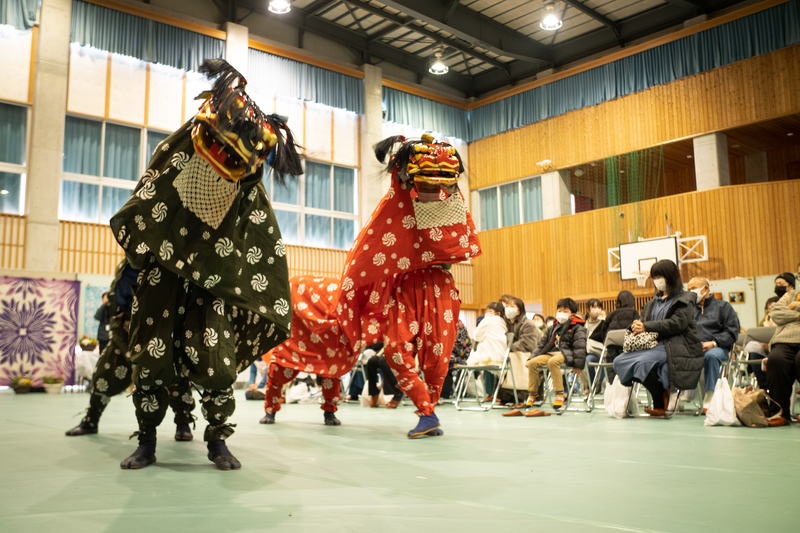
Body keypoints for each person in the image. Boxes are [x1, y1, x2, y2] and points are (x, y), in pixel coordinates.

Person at [109, 60, 302, 470]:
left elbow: (261, 245)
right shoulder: (176, 155)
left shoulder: (248, 190)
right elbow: (142, 206)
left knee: (216, 365)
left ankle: (217, 440)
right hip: (160, 278)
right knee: (149, 362)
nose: (220, 161)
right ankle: (146, 441)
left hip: (212, 287)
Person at [335, 133, 481, 438]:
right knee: (396, 350)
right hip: (407, 286)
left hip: (440, 285)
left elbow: (456, 244)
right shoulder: (399, 208)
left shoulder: (451, 208)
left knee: (437, 356)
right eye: (426, 184)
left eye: (441, 184)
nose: (434, 190)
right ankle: (427, 412)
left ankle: (428, 412)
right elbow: (372, 245)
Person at [65, 260, 196, 441]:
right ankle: (91, 420)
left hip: (164, 327)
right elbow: (118, 293)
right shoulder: (131, 259)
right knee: (104, 374)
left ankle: (183, 423)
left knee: (175, 378)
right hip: (127, 327)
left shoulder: (174, 257)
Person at [612, 260, 703, 417]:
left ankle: (659, 403)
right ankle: (663, 394)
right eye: (654, 277)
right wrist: (637, 325)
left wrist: (647, 326)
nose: (656, 280)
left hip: (675, 344)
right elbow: (646, 322)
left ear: (670, 277)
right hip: (652, 345)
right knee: (619, 361)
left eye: (659, 276)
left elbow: (677, 324)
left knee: (642, 363)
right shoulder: (651, 303)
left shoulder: (685, 300)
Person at [259, 276, 353, 426]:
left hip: (325, 337)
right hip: (297, 334)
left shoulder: (341, 291)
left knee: (332, 373)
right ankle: (270, 410)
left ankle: (330, 411)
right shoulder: (291, 286)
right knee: (276, 369)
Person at [504, 298, 586, 416]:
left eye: (565, 311)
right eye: (559, 310)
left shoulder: (578, 328)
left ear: (572, 314)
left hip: (567, 354)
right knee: (533, 363)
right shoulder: (553, 328)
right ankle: (533, 393)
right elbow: (541, 345)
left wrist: (578, 365)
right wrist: (530, 358)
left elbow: (580, 347)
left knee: (553, 362)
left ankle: (559, 393)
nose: (561, 313)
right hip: (551, 354)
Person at [687, 277, 739, 409]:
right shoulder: (689, 310)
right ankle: (675, 396)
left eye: (693, 288)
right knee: (672, 354)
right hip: (694, 348)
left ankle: (710, 396)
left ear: (706, 288)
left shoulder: (724, 307)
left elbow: (732, 332)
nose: (690, 292)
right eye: (688, 290)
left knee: (711, 356)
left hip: (718, 348)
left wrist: (713, 343)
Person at [765, 281, 800, 426]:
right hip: (784, 340)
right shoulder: (791, 294)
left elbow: (783, 313)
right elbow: (776, 313)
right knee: (775, 360)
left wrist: (794, 306)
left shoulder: (793, 300)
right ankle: (779, 413)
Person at [589, 290, 640, 386]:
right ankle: (628, 390)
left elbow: (603, 330)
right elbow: (638, 328)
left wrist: (606, 341)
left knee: (612, 368)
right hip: (628, 348)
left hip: (612, 347)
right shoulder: (634, 313)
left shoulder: (612, 314)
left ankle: (613, 386)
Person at [364, 344, 404, 409]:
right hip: (385, 351)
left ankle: (398, 393)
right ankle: (374, 393)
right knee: (372, 361)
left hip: (401, 352)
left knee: (384, 360)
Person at [441, 320, 472, 400]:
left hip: (456, 357)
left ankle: (445, 393)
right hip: (459, 357)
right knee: (445, 364)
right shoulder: (458, 324)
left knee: (443, 364)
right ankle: (455, 392)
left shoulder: (454, 324)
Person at [582, 299, 605, 393]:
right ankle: (591, 386)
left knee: (607, 361)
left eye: (599, 307)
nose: (597, 309)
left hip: (602, 352)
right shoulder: (583, 325)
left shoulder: (604, 324)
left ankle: (600, 384)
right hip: (590, 353)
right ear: (588, 310)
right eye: (594, 307)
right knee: (588, 361)